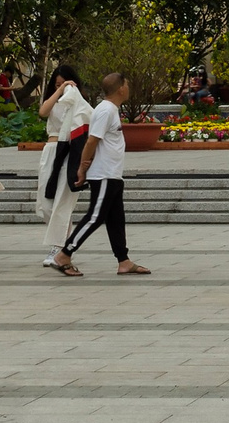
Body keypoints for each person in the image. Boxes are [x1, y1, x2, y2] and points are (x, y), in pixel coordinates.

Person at [51, 72, 151, 276]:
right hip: (103, 175)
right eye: (127, 84)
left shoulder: (111, 110)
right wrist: (82, 168)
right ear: (121, 88)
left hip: (112, 174)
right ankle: (64, 254)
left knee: (116, 219)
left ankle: (123, 261)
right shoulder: (105, 110)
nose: (129, 88)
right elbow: (91, 141)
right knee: (95, 217)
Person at [36, 65, 88, 265]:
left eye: (65, 82)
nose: (62, 87)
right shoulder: (54, 100)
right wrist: (59, 89)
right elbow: (43, 112)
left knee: (62, 202)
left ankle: (59, 248)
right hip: (51, 150)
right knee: (46, 201)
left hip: (69, 153)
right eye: (57, 84)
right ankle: (65, 243)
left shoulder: (78, 102)